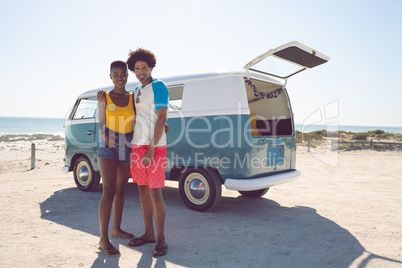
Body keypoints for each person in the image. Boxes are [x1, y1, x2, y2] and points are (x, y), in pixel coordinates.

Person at [126, 48, 169, 257]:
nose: (141, 71)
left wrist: (151, 148)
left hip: (155, 147)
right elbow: (140, 117)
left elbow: (162, 118)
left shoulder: (159, 87)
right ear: (133, 70)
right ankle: (148, 233)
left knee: (155, 192)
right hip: (137, 145)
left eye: (144, 67)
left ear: (151, 67)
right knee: (142, 190)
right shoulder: (136, 91)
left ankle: (161, 239)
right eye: (137, 68)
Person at [97, 60, 135, 256]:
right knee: (109, 191)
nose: (120, 77)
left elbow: (141, 119)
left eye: (123, 74)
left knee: (121, 189)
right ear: (110, 76)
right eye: (116, 74)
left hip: (127, 143)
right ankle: (103, 239)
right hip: (109, 144)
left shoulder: (132, 97)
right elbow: (101, 124)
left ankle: (116, 229)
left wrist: (160, 127)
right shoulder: (104, 97)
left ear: (127, 76)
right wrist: (105, 136)